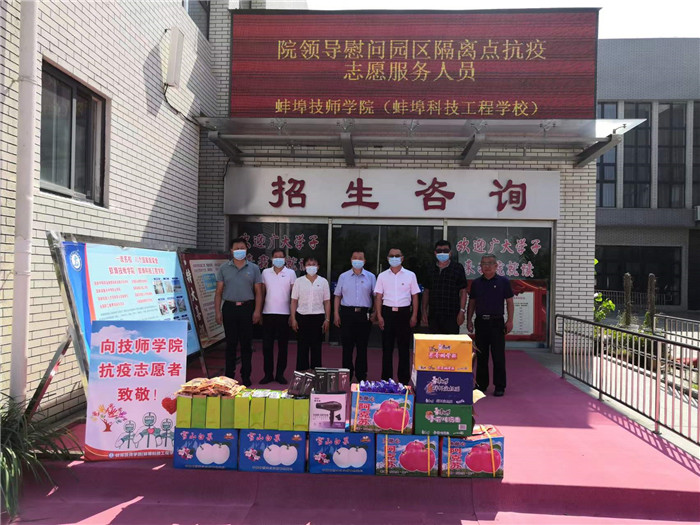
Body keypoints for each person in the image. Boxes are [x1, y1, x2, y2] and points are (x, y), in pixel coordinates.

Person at [215, 237, 263, 387]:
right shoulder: (224, 268)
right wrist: (217, 311)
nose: (239, 251)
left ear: (246, 250)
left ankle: (245, 376)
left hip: (247, 308)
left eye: (242, 248)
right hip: (229, 308)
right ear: (231, 250)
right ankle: (229, 376)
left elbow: (259, 292)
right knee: (231, 344)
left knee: (246, 344)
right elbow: (218, 292)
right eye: (236, 248)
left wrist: (257, 311)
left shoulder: (253, 268)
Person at [466, 254, 514, 397]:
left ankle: (499, 386)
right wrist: (469, 320)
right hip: (481, 322)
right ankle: (481, 384)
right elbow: (472, 303)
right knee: (481, 355)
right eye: (483, 264)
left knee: (498, 356)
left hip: (497, 322)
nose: (486, 266)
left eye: (489, 263)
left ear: (496, 266)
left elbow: (510, 302)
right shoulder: (476, 283)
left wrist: (510, 321)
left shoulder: (503, 282)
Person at [374, 247, 420, 385]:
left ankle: (404, 380)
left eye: (397, 255)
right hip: (387, 313)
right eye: (392, 256)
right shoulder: (382, 276)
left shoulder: (410, 275)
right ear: (388, 258)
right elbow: (378, 296)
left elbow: (415, 296)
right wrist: (379, 315)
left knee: (404, 348)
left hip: (404, 313)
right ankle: (386, 380)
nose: (394, 258)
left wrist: (414, 315)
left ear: (402, 258)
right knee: (387, 348)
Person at [333, 250, 376, 382]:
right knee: (347, 347)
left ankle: (361, 375)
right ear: (351, 260)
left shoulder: (371, 277)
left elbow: (376, 296)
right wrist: (336, 313)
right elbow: (337, 296)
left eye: (360, 258)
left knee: (362, 347)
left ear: (364, 261)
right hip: (347, 314)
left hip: (364, 314)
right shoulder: (343, 276)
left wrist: (375, 312)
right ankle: (346, 375)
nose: (357, 260)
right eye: (355, 258)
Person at [260, 248, 296, 384]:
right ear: (272, 258)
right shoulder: (265, 272)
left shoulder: (291, 273)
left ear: (285, 259)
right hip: (268, 313)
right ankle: (268, 374)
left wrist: (292, 314)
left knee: (283, 347)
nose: (278, 259)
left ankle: (280, 374)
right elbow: (262, 293)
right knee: (267, 346)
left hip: (284, 314)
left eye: (281, 257)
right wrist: (259, 311)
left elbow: (294, 295)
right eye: (276, 256)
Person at [290, 257, 331, 370]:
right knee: (302, 348)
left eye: (314, 264)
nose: (311, 266)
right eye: (308, 264)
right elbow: (294, 301)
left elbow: (327, 301)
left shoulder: (323, 281)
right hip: (302, 317)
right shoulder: (299, 281)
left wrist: (327, 319)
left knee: (316, 348)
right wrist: (293, 318)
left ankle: (316, 375)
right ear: (304, 267)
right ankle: (302, 374)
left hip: (318, 317)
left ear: (318, 266)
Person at [421, 239, 468, 334]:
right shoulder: (430, 268)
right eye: (439, 251)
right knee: (434, 342)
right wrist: (424, 311)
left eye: (445, 251)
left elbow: (463, 291)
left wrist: (462, 311)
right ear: (435, 253)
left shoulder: (457, 268)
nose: (442, 253)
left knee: (451, 342)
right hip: (434, 314)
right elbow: (426, 291)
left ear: (450, 253)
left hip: (452, 315)